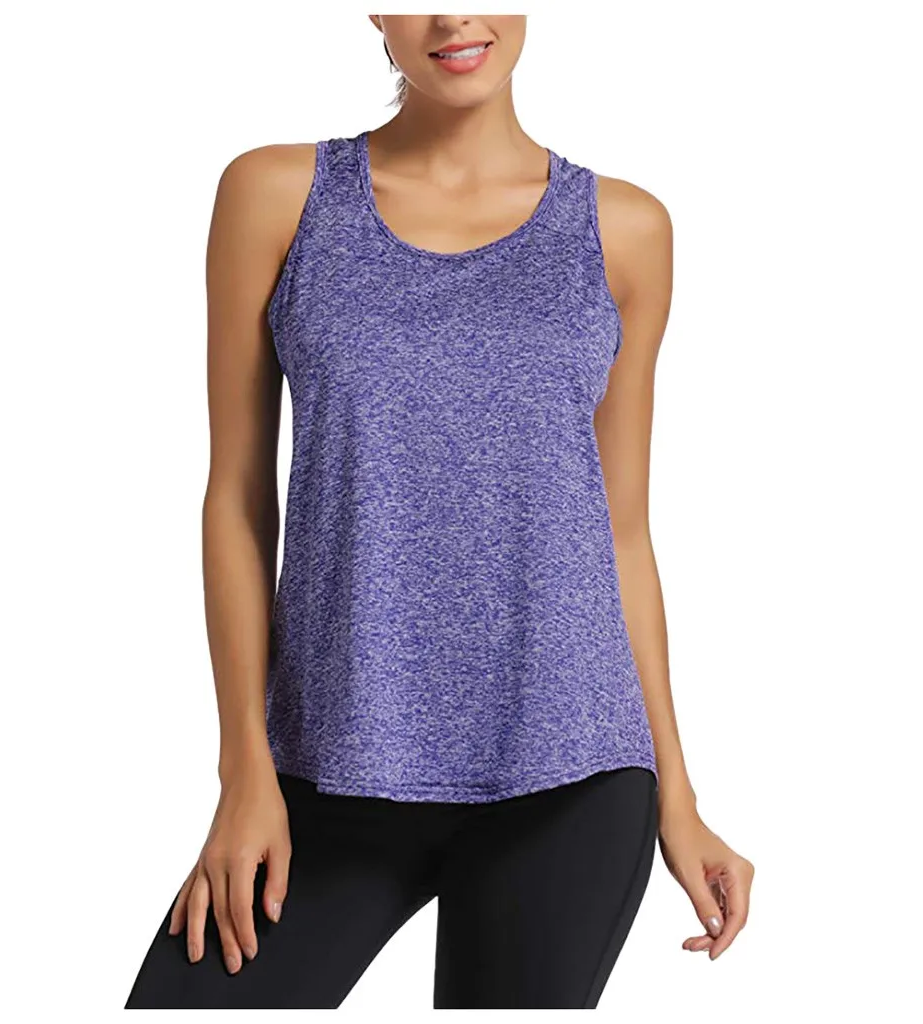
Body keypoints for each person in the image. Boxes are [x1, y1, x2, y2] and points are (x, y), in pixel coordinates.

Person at [124, 13, 754, 1010]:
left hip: (571, 775)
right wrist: (243, 768)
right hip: (327, 763)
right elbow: (237, 495)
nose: (454, 17)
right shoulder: (276, 195)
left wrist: (677, 792)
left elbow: (622, 534)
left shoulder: (624, 230)